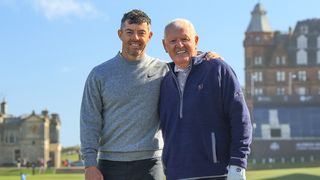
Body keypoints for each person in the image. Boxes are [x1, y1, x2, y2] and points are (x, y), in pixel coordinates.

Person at [80, 9, 221, 180]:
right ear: (120, 34)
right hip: (110, 164)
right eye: (129, 32)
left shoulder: (164, 70)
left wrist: (206, 56)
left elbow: (185, 57)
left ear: (150, 36)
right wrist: (89, 164)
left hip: (152, 163)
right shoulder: (99, 74)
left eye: (141, 33)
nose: (136, 38)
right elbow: (89, 122)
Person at [159, 19, 253, 180]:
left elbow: (240, 118)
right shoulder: (162, 80)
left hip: (218, 173)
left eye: (185, 39)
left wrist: (238, 165)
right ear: (164, 45)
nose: (179, 45)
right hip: (176, 174)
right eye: (173, 41)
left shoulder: (217, 69)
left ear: (195, 40)